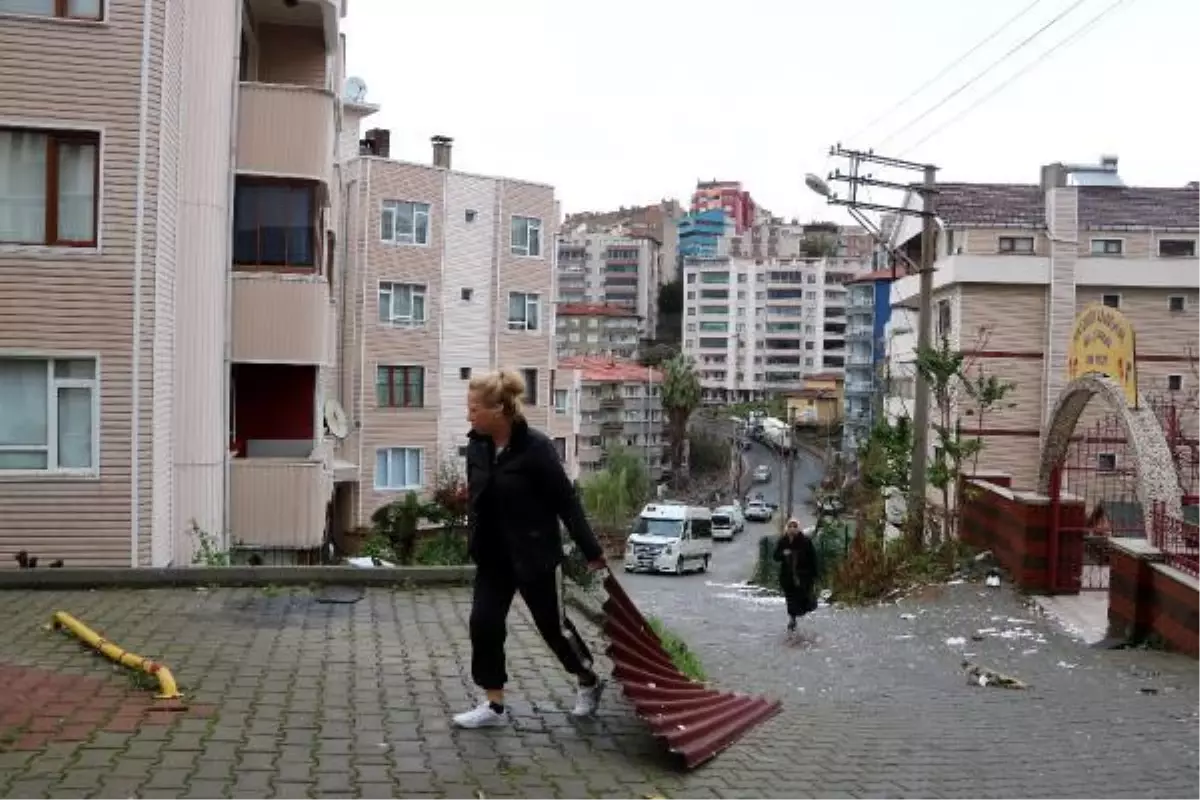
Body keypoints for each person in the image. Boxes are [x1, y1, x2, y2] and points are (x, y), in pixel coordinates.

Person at [453, 369, 608, 729]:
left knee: (554, 629)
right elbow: (480, 488)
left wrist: (591, 550)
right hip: (493, 554)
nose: (469, 415)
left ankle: (589, 680)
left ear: (499, 410)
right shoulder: (477, 444)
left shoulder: (536, 448)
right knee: (484, 623)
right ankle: (493, 704)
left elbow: (566, 501)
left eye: (474, 408)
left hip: (535, 555)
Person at [774, 518, 818, 632]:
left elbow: (812, 558)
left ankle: (805, 608)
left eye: (794, 526)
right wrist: (783, 554)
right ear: (787, 528)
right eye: (790, 527)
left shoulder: (805, 541)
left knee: (802, 596)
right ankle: (792, 618)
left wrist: (814, 574)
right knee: (790, 599)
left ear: (798, 528)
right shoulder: (783, 541)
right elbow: (776, 556)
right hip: (787, 576)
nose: (792, 529)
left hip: (803, 575)